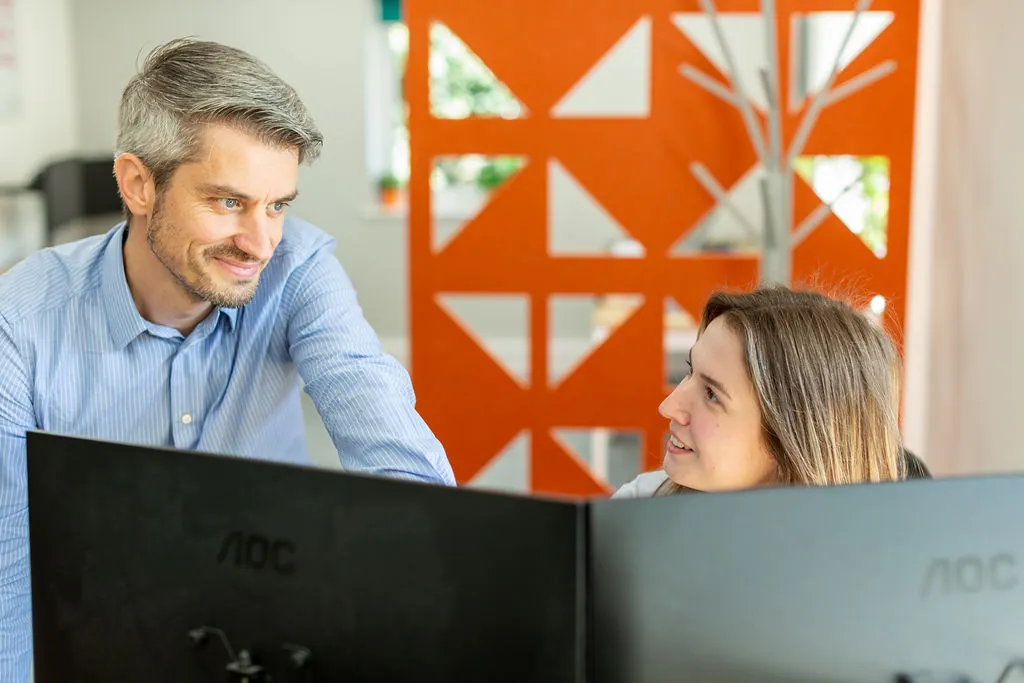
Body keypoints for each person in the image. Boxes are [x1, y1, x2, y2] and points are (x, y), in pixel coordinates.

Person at [0, 38, 454, 680]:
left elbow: (396, 457)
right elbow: (7, 567)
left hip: (269, 629)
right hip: (102, 639)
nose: (261, 242)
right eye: (228, 202)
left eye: (277, 205)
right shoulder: (19, 318)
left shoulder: (299, 271)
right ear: (137, 184)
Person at [613, 285, 925, 498]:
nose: (669, 406)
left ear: (790, 440)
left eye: (711, 394)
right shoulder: (637, 509)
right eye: (690, 371)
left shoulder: (891, 571)